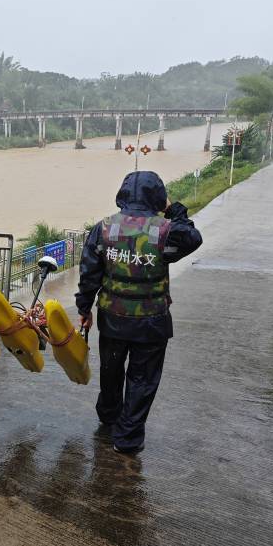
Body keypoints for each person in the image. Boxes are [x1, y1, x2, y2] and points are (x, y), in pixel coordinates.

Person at [76, 170, 202, 455]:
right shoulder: (166, 230)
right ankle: (127, 438)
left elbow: (89, 272)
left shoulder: (104, 228)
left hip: (112, 318)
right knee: (142, 379)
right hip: (152, 322)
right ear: (157, 195)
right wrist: (173, 209)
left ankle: (109, 416)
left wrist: (84, 307)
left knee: (111, 371)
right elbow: (193, 237)